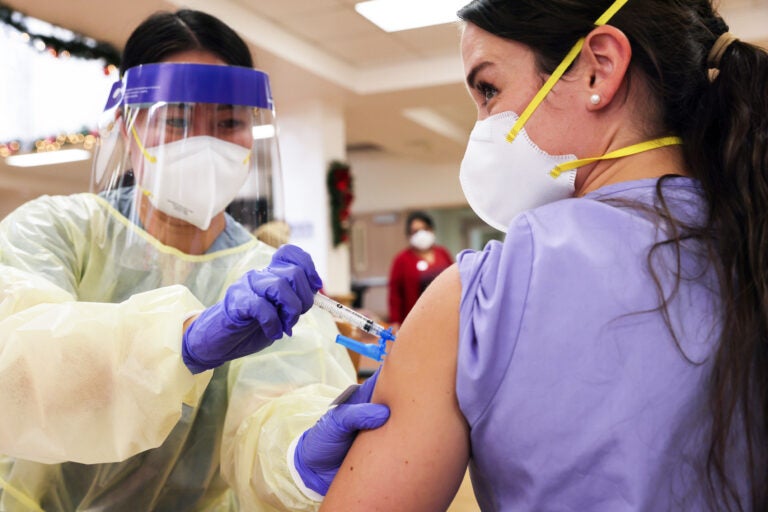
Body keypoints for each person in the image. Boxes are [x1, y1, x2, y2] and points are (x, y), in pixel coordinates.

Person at [318, 0, 768, 510]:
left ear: (598, 67)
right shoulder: (750, 234)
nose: (482, 127)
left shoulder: (479, 296)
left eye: (488, 90)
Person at [0, 9, 387, 511]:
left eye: (227, 122)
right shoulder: (54, 232)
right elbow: (16, 362)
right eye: (176, 119)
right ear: (125, 127)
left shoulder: (269, 280)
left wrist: (298, 455)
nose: (204, 143)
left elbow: (277, 412)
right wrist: (175, 345)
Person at [387, 211, 453, 329]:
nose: (421, 234)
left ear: (431, 230)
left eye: (425, 229)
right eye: (415, 231)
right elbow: (395, 295)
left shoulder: (443, 253)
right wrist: (395, 321)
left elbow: (454, 280)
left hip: (446, 314)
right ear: (409, 235)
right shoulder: (402, 260)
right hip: (415, 319)